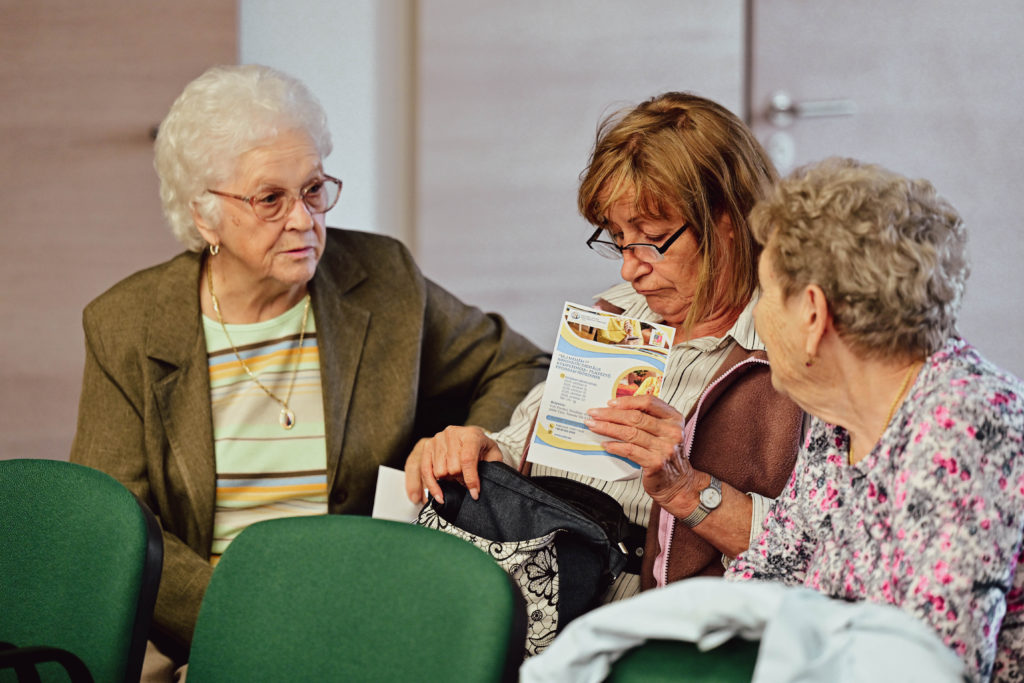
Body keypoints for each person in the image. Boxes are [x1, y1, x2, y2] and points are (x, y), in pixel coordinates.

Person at [69, 64, 549, 675]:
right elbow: (118, 528)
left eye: (314, 189)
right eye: (270, 199)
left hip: (375, 615)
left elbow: (520, 364)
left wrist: (469, 437)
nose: (303, 219)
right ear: (204, 215)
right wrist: (254, 621)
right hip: (217, 634)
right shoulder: (127, 325)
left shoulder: (384, 279)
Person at [405, 92, 804, 608]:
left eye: (653, 238)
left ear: (728, 220)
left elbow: (818, 551)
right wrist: (475, 448)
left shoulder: (795, 355)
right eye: (618, 238)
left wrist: (686, 489)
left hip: (656, 618)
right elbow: (522, 447)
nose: (629, 268)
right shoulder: (617, 317)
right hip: (542, 588)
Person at [725, 157, 1024, 681]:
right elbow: (768, 572)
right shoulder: (839, 417)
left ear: (813, 314)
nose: (757, 314)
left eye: (766, 293)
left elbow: (931, 666)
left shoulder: (965, 423)